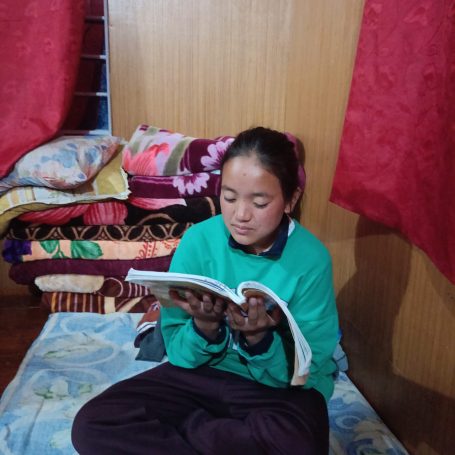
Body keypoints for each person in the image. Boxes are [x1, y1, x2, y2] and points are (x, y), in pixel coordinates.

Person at [71, 126, 339, 454]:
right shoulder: (198, 240)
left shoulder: (311, 259)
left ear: (290, 200)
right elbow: (179, 353)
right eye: (229, 197)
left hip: (274, 391)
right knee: (93, 424)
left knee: (298, 445)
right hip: (199, 376)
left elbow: (308, 368)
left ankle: (197, 431)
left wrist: (259, 340)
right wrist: (204, 327)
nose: (240, 215)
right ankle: (221, 437)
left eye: (259, 202)